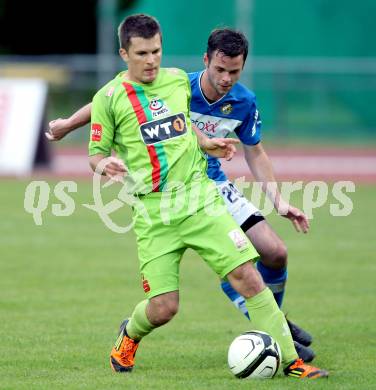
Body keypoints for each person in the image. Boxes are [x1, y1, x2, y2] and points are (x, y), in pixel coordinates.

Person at [47, 14, 329, 379]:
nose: (151, 60)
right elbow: (95, 153)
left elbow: (184, 120)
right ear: (123, 53)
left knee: (248, 273)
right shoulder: (110, 98)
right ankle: (129, 333)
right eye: (143, 53)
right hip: (154, 214)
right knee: (164, 307)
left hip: (200, 200)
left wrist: (204, 141)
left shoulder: (178, 80)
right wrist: (103, 164)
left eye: (157, 51)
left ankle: (293, 362)